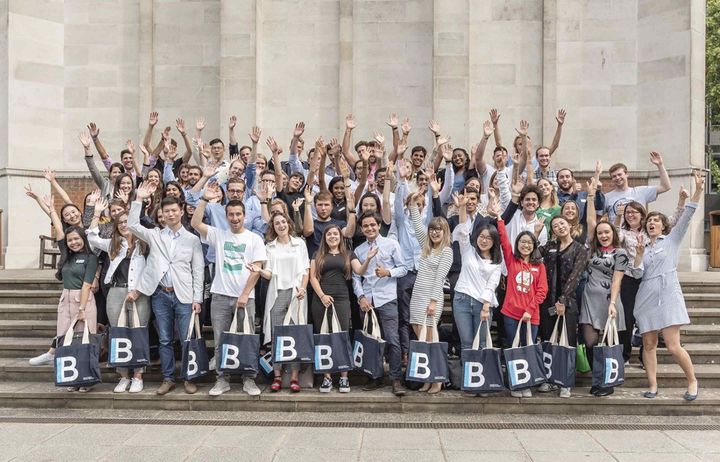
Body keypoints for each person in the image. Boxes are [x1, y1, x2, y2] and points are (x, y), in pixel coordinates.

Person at [129, 182, 205, 396]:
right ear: (161, 214)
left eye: (174, 210)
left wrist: (197, 298)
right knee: (164, 339)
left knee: (186, 338)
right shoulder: (155, 235)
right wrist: (138, 199)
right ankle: (168, 377)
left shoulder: (192, 240)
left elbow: (198, 270)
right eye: (166, 211)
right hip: (161, 293)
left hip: (184, 295)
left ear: (181, 211)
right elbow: (133, 225)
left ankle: (189, 377)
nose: (170, 214)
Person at [635, 171, 705, 401]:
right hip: (646, 294)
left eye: (656, 220)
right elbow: (637, 273)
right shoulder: (642, 245)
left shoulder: (671, 241)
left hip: (668, 293)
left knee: (674, 345)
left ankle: (692, 380)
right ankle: (653, 385)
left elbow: (687, 216)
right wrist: (638, 255)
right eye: (649, 221)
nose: (652, 223)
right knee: (648, 343)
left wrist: (698, 190)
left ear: (663, 226)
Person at [191, 188, 267, 397]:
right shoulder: (219, 235)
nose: (234, 218)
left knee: (247, 339)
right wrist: (205, 200)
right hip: (220, 297)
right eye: (231, 215)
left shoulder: (254, 239)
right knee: (220, 340)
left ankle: (248, 379)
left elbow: (257, 269)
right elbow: (195, 224)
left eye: (238, 214)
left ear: (245, 216)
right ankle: (222, 379)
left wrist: (244, 294)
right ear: (226, 217)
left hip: (246, 297)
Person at [32, 196, 98, 392]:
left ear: (83, 239)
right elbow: (60, 230)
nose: (73, 242)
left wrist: (82, 309)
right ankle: (72, 377)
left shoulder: (90, 257)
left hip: (83, 300)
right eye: (70, 240)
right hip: (65, 298)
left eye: (77, 239)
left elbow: (87, 285)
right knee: (65, 338)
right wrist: (49, 207)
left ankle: (85, 380)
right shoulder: (67, 254)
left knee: (84, 339)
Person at [86, 211, 149, 393]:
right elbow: (91, 238)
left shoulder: (145, 244)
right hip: (115, 291)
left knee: (138, 332)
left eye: (127, 222)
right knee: (117, 333)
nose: (123, 225)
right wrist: (96, 213)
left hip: (138, 293)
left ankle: (138, 375)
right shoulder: (113, 244)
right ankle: (123, 376)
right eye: (120, 222)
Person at [248, 212, 309, 393]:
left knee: (294, 335)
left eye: (283, 222)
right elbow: (269, 274)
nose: (281, 225)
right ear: (273, 227)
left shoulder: (300, 244)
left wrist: (303, 289)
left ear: (288, 224)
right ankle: (277, 376)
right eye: (277, 223)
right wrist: (258, 270)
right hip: (276, 295)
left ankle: (294, 377)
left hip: (296, 293)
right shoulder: (270, 247)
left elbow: (306, 270)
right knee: (276, 336)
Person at [310, 224, 375, 393]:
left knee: (342, 336)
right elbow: (313, 278)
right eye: (329, 234)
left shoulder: (348, 254)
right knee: (324, 336)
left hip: (342, 299)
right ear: (325, 237)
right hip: (321, 299)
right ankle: (327, 378)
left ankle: (344, 377)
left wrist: (367, 259)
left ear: (341, 237)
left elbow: (359, 271)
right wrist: (322, 296)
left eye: (336, 234)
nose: (332, 236)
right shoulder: (317, 255)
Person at [352, 213, 408, 396]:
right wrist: (360, 297)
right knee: (371, 341)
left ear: (378, 225)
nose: (369, 228)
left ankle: (395, 379)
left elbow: (404, 268)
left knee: (392, 340)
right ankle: (374, 376)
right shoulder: (359, 250)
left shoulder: (391, 244)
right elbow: (356, 278)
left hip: (387, 298)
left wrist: (388, 272)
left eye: (372, 225)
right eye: (366, 226)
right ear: (361, 229)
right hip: (368, 301)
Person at [494, 213, 548, 399]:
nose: (525, 245)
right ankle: (516, 384)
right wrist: (499, 218)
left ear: (534, 246)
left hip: (531, 316)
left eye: (529, 243)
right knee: (513, 349)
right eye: (522, 242)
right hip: (510, 314)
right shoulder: (511, 260)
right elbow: (503, 241)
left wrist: (529, 310)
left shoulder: (539, 266)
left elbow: (542, 291)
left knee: (528, 349)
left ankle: (528, 383)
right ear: (517, 244)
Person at [580, 220, 633, 397]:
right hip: (589, 299)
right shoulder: (591, 251)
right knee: (590, 341)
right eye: (600, 233)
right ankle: (597, 378)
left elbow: (617, 280)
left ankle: (606, 382)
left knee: (609, 342)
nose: (603, 236)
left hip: (609, 300)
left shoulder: (620, 253)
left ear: (613, 234)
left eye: (606, 232)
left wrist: (613, 302)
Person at [407, 194, 453, 394]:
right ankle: (427, 379)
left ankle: (437, 381)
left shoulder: (447, 251)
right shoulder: (426, 246)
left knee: (431, 341)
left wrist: (433, 302)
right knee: (422, 342)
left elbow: (439, 279)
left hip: (431, 298)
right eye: (432, 229)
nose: (435, 233)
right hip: (417, 297)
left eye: (439, 230)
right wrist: (413, 203)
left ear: (445, 232)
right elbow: (417, 223)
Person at [538, 215, 588, 398]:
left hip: (568, 302)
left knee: (567, 341)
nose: (560, 227)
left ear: (569, 225)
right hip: (547, 301)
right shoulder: (550, 247)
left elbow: (575, 276)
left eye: (562, 224)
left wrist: (563, 300)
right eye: (555, 226)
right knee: (548, 339)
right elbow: (534, 256)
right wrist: (536, 234)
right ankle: (549, 378)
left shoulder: (580, 249)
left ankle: (565, 382)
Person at [451, 192, 502, 352]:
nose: (484, 240)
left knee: (481, 344)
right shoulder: (468, 251)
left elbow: (491, 286)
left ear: (494, 241)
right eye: (481, 236)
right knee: (466, 344)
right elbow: (463, 231)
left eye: (488, 238)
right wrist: (462, 207)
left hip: (482, 304)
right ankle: (467, 376)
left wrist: (486, 307)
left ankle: (481, 377)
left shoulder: (496, 263)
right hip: (462, 300)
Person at [603, 151, 671, 223]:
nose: (617, 177)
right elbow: (597, 217)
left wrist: (660, 165)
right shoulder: (607, 197)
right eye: (614, 176)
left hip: (639, 233)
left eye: (620, 174)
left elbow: (665, 186)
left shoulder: (641, 191)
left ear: (627, 174)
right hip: (617, 233)